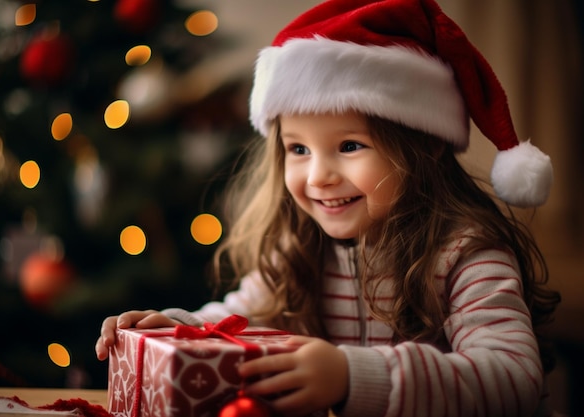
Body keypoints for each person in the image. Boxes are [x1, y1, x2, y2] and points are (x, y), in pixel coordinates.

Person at [95, 0, 562, 415]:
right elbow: (240, 314)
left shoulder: (466, 255)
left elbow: (512, 379)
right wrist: (180, 329)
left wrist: (352, 376)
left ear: (426, 147)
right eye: (298, 150)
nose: (318, 176)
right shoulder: (300, 246)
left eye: (350, 145)